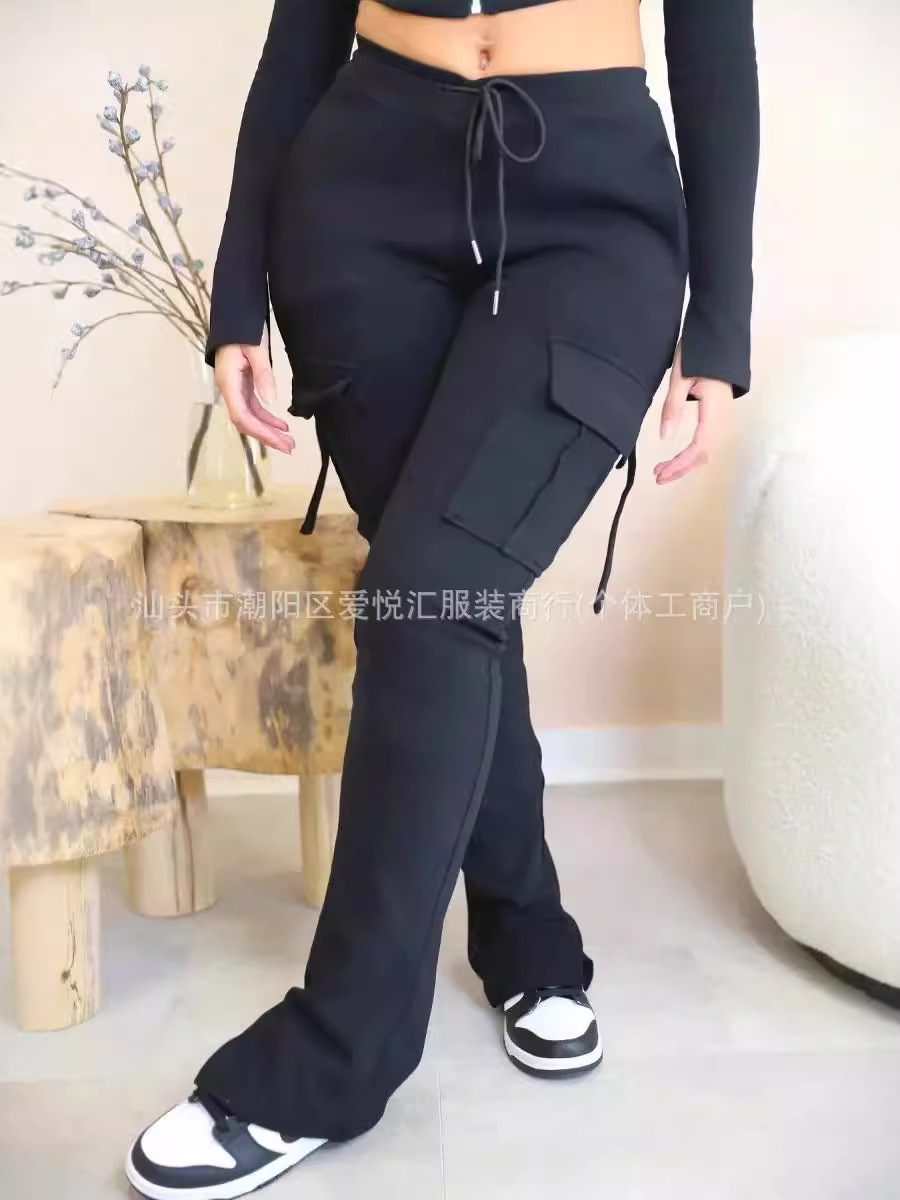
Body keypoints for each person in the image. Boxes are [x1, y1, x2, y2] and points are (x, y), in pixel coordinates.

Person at [126, 1, 759, 1196]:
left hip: (593, 210)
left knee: (433, 590)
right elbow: (301, 38)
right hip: (361, 204)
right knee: (448, 600)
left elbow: (714, 44)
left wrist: (719, 323)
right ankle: (527, 939)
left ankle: (335, 1056)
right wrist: (236, 294)